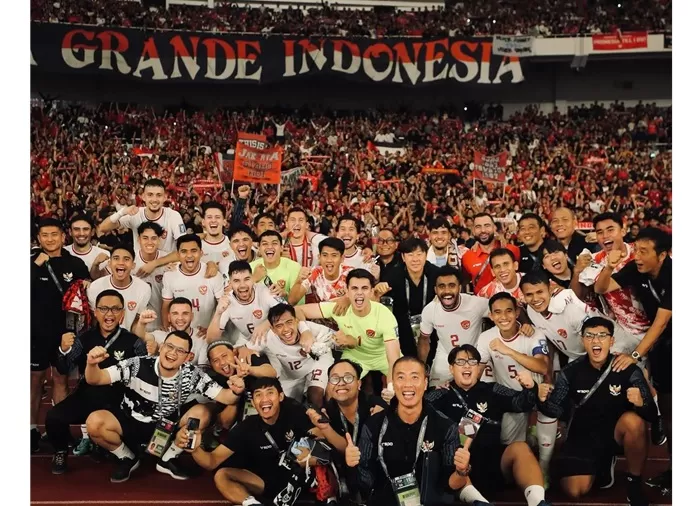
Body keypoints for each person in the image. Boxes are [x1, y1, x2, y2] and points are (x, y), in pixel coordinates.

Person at [85, 330, 244, 482]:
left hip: (166, 427)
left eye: (180, 351)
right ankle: (126, 457)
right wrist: (91, 364)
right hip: (130, 420)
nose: (173, 353)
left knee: (202, 413)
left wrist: (237, 389)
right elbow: (96, 379)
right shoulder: (137, 364)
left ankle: (168, 459)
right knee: (94, 422)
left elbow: (225, 396)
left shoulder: (192, 374)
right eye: (169, 346)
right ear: (161, 347)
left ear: (188, 357)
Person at [537, 317, 656, 506]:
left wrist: (642, 403)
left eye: (602, 336)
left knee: (634, 422)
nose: (596, 341)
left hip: (615, 434)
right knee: (575, 490)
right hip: (582, 437)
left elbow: (651, 414)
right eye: (590, 336)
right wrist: (541, 398)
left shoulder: (628, 369)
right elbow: (555, 410)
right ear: (583, 341)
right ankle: (602, 464)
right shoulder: (570, 372)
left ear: (611, 341)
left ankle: (633, 482)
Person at [593, 227, 672, 492]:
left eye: (644, 251)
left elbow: (661, 323)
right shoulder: (636, 269)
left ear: (662, 255)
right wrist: (609, 266)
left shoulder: (677, 276)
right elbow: (602, 287)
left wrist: (635, 355)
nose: (636, 256)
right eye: (636, 249)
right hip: (664, 348)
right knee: (672, 415)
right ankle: (675, 472)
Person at [426, 345, 550, 506]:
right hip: (458, 467)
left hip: (494, 464)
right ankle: (478, 502)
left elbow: (521, 403)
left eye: (472, 361)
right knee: (458, 461)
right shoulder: (441, 394)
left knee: (520, 448)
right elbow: (418, 407)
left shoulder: (492, 389)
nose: (467, 366)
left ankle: (538, 502)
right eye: (461, 362)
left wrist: (530, 386)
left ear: (478, 368)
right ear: (451, 368)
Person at [175, 377, 321, 506]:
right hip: (264, 482)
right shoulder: (247, 426)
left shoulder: (294, 411)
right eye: (258, 395)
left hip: (299, 479)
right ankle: (252, 504)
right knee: (222, 475)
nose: (264, 399)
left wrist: (308, 454)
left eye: (270, 393)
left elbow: (320, 438)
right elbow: (211, 461)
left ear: (281, 396)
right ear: (253, 402)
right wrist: (195, 450)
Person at [46, 290, 149, 474]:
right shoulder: (83, 338)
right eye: (104, 309)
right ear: (95, 312)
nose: (109, 314)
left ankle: (117, 450)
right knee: (54, 417)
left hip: (119, 399)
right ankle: (61, 450)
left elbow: (145, 372)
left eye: (115, 309)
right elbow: (63, 368)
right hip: (88, 394)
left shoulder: (134, 342)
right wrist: (63, 349)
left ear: (123, 313)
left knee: (133, 435)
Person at [344, 356, 470, 506]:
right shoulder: (373, 425)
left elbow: (450, 487)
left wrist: (461, 472)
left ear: (425, 383)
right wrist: (352, 466)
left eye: (415, 377)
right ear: (393, 383)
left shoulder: (445, 426)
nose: (408, 384)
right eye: (401, 377)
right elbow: (365, 484)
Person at [475, 293, 556, 480]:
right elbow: (476, 372)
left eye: (509, 311)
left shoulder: (533, 333)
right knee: (512, 447)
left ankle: (544, 466)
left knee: (548, 399)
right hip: (512, 399)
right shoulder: (487, 337)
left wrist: (508, 351)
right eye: (498, 312)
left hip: (537, 393)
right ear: (491, 315)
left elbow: (543, 367)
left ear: (517, 312)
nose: (503, 317)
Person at [31, 218, 91, 451]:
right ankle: (31, 430)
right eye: (45, 235)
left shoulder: (74, 263)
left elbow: (86, 287)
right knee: (34, 382)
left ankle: (59, 429)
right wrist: (35, 266)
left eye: (54, 234)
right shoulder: (28, 262)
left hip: (65, 332)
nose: (50, 239)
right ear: (38, 238)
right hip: (34, 333)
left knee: (60, 379)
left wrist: (86, 284)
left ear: (63, 237)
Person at [295, 269, 401, 388]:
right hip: (354, 355)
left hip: (383, 357)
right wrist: (305, 331)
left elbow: (393, 358)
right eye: (354, 288)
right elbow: (298, 310)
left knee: (402, 383)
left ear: (372, 291)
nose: (359, 293)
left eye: (364, 288)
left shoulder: (384, 314)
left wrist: (391, 388)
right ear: (347, 291)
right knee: (335, 388)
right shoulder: (339, 307)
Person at [247, 304, 335, 408]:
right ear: (273, 329)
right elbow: (247, 348)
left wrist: (316, 346)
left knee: (315, 395)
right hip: (290, 376)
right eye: (279, 326)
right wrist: (244, 350)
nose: (286, 329)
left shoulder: (312, 329)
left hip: (315, 365)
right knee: (281, 405)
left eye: (289, 322)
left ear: (297, 321)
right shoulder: (267, 337)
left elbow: (337, 339)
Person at [418, 266, 490, 387]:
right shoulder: (430, 310)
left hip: (473, 356)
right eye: (442, 286)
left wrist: (524, 323)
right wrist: (421, 367)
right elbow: (424, 340)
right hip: (445, 354)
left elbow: (504, 307)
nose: (447, 291)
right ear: (435, 290)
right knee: (435, 395)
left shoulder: (476, 303)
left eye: (451, 285)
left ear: (459, 287)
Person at [382, 238, 440, 357]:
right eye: (410, 255)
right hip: (403, 329)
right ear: (403, 257)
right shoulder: (392, 276)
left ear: (426, 255)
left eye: (419, 254)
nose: (415, 259)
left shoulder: (437, 274)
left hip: (433, 328)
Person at [207, 260, 289, 345]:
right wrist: (218, 313)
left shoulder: (265, 291)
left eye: (247, 279)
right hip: (248, 341)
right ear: (230, 283)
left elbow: (289, 312)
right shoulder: (227, 301)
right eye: (236, 281)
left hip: (272, 338)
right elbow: (211, 340)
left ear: (252, 279)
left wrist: (267, 324)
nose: (242, 285)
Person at [97, 178, 185, 254]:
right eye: (150, 195)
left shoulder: (173, 216)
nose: (154, 199)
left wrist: (154, 264)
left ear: (165, 197)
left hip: (167, 269)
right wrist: (121, 212)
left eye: (159, 195)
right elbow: (103, 228)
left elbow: (184, 248)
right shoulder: (135, 214)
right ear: (143, 197)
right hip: (140, 269)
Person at [205, 340, 276, 431]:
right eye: (215, 360)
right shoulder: (215, 381)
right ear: (211, 365)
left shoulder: (247, 357)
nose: (222, 362)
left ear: (234, 352)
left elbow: (272, 373)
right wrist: (236, 393)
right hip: (245, 427)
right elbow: (225, 423)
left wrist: (249, 370)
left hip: (271, 415)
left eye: (224, 356)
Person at [161, 234, 225, 336]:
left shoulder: (213, 274)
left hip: (205, 334)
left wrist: (212, 328)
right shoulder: (169, 275)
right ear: (177, 255)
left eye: (194, 251)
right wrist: (167, 330)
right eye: (184, 251)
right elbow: (166, 306)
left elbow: (223, 307)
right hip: (181, 333)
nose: (189, 255)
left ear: (201, 253)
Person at [87, 244, 152, 331]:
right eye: (116, 258)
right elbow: (94, 321)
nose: (121, 262)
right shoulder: (95, 287)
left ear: (133, 265)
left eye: (126, 259)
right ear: (109, 263)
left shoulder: (144, 288)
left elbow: (136, 323)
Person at [135, 300, 208, 365]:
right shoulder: (161, 334)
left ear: (192, 316)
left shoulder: (202, 337)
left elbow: (203, 370)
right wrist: (141, 323)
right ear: (169, 317)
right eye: (175, 313)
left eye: (185, 313)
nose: (180, 318)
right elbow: (141, 336)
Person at [461, 213, 519, 295]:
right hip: (481, 304)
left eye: (487, 225)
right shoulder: (467, 257)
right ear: (473, 230)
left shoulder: (513, 250)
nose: (483, 230)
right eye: (478, 227)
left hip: (509, 304)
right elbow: (464, 281)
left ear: (494, 227)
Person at [289, 237, 354, 305]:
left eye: (334, 255)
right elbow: (292, 301)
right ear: (319, 257)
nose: (329, 260)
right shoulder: (314, 272)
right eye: (325, 255)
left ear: (342, 258)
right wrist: (298, 281)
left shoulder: (350, 274)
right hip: (320, 314)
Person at [132, 222, 169, 331]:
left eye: (153, 238)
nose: (149, 242)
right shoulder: (130, 258)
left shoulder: (167, 259)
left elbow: (180, 255)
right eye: (145, 238)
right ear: (139, 239)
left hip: (160, 324)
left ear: (159, 240)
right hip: (135, 324)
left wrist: (154, 263)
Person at [250, 230, 301, 300]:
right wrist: (254, 279)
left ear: (281, 248)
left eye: (274, 243)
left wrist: (285, 294)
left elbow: (298, 303)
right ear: (259, 248)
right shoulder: (250, 267)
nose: (270, 247)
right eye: (265, 244)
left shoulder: (294, 267)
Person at [201, 202, 235, 268]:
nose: (213, 220)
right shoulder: (196, 246)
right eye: (209, 217)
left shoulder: (233, 244)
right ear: (203, 222)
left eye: (217, 217)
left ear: (224, 222)